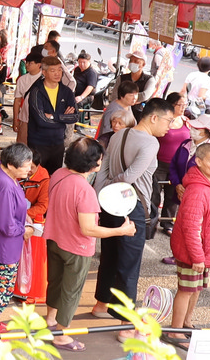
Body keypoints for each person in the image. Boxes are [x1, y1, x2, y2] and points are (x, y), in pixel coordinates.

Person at [43, 137, 136, 352]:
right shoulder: (84, 190)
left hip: (54, 239)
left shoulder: (58, 174)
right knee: (71, 292)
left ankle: (50, 320)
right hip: (76, 248)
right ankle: (61, 336)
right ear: (94, 163)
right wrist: (121, 231)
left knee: (55, 283)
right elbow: (88, 229)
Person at [91, 98, 173, 342]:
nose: (169, 126)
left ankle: (101, 304)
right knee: (129, 264)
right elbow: (130, 176)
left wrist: (102, 194)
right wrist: (114, 185)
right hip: (132, 206)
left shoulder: (119, 134)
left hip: (110, 203)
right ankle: (126, 324)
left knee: (110, 255)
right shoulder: (150, 142)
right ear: (154, 118)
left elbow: (103, 169)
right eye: (168, 120)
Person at [162, 143, 210, 351]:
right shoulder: (198, 189)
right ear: (198, 162)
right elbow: (191, 228)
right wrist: (198, 256)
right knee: (186, 290)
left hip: (202, 251)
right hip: (194, 252)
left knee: (195, 289)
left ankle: (186, 323)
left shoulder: (209, 184)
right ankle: (175, 331)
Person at [0, 143, 34, 334]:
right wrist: (24, 229)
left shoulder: (0, 171)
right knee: (2, 288)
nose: (29, 169)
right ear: (11, 165)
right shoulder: (5, 186)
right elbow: (7, 225)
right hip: (4, 246)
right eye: (25, 166)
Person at [25, 55, 77, 174]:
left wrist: (54, 117)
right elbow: (41, 121)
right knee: (35, 176)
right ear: (44, 72)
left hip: (58, 143)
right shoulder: (36, 92)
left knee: (54, 177)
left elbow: (75, 116)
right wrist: (63, 119)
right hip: (38, 143)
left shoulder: (67, 92)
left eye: (59, 69)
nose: (57, 73)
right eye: (53, 70)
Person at [153, 93, 191, 238]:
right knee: (154, 193)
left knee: (173, 195)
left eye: (185, 105)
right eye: (180, 105)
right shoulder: (163, 120)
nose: (183, 108)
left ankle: (167, 223)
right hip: (159, 162)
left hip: (178, 165)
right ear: (171, 105)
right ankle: (151, 221)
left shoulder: (186, 121)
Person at [110, 50, 156, 121]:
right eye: (131, 61)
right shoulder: (122, 78)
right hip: (120, 114)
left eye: (136, 61)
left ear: (143, 64)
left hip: (139, 115)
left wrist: (123, 99)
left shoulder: (149, 79)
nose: (132, 63)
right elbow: (114, 95)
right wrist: (132, 100)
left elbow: (144, 96)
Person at [13, 52, 43, 145]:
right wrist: (15, 120)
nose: (27, 65)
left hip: (41, 119)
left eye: (30, 63)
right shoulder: (22, 80)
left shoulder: (45, 78)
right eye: (26, 62)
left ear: (39, 65)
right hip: (25, 118)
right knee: (22, 145)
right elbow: (17, 101)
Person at [25, 149, 50, 221]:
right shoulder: (15, 172)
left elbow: (42, 206)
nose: (27, 170)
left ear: (38, 165)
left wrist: (22, 214)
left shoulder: (44, 180)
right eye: (24, 166)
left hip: (30, 216)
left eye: (31, 167)